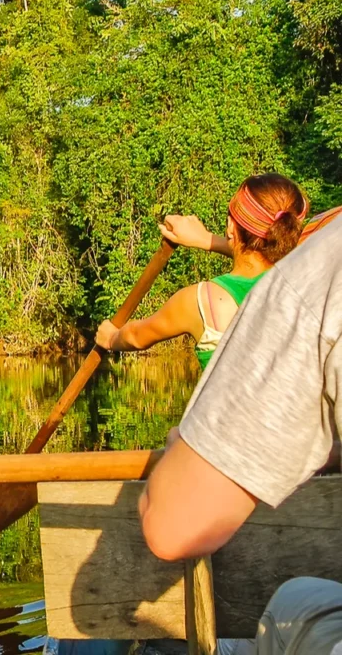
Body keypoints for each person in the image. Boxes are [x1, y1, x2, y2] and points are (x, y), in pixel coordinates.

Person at [138, 209, 342, 653]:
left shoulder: (302, 281)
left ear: (235, 229)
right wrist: (211, 240)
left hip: (228, 483)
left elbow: (172, 529)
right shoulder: (308, 262)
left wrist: (111, 336)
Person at [94, 173, 309, 369]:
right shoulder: (305, 279)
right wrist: (206, 239)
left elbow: (136, 336)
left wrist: (111, 338)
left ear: (230, 227)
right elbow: (276, 255)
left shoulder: (203, 302)